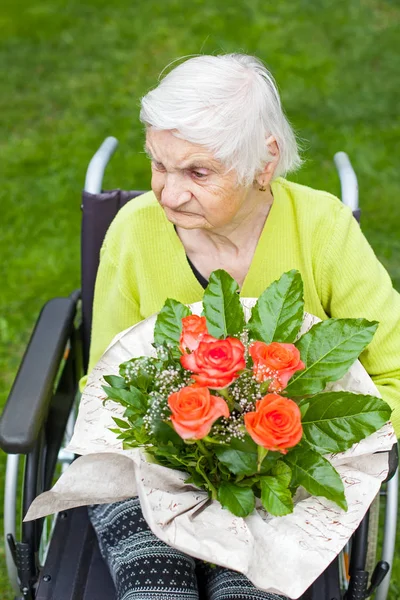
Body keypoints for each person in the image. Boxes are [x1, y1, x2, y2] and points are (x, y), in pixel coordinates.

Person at [87, 54, 400, 600]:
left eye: (198, 172)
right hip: (151, 468)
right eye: (159, 165)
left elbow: (392, 370)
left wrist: (300, 450)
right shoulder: (133, 232)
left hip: (289, 474)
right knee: (156, 593)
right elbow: (109, 378)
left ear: (264, 161)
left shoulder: (323, 229)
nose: (168, 193)